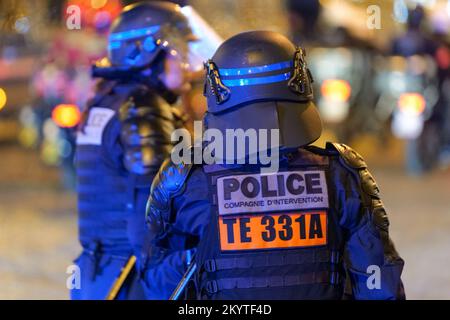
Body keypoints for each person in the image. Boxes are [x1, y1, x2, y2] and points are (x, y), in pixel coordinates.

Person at [144, 30, 405, 300]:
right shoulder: (342, 174)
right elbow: (378, 281)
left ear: (217, 91)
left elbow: (158, 284)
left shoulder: (186, 182)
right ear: (300, 82)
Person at [71, 1, 195, 300]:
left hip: (101, 271)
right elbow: (158, 202)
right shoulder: (143, 107)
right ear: (146, 53)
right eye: (180, 51)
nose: (189, 63)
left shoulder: (110, 100)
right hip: (134, 276)